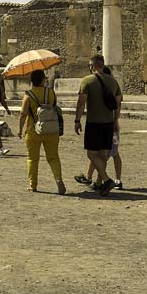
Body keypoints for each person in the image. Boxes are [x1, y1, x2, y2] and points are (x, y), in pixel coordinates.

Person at [75, 55, 122, 196]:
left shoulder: (87, 81)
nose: (89, 68)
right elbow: (118, 105)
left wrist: (77, 120)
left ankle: (107, 180)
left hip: (94, 123)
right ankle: (101, 185)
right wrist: (115, 122)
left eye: (90, 65)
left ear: (93, 66)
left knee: (91, 154)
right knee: (102, 155)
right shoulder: (114, 82)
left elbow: (81, 102)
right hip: (108, 123)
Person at [17, 69, 64, 194]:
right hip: (51, 129)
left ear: (31, 81)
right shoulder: (51, 92)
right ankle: (58, 179)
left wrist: (20, 129)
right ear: (43, 79)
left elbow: (23, 114)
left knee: (32, 159)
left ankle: (33, 185)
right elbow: (54, 107)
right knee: (53, 157)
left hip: (33, 130)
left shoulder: (28, 95)